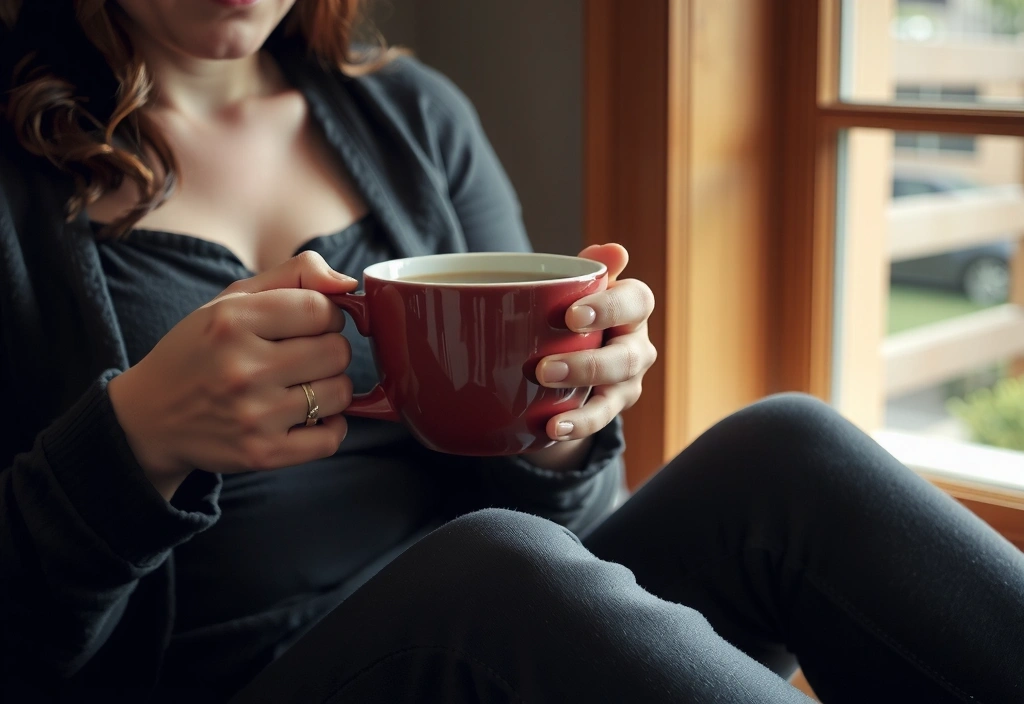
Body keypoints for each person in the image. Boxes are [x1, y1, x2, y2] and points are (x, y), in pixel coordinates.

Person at [1, 1, 1022, 702]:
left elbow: (579, 523)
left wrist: (564, 429)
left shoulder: (413, 116)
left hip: (508, 623)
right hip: (251, 671)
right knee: (497, 570)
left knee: (788, 448)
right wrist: (132, 445)